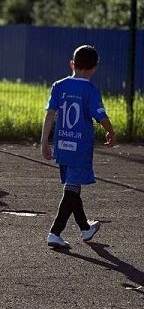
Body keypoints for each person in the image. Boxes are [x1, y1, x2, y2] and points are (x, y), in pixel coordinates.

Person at [40, 44, 115, 248]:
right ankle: (55, 232)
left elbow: (50, 114)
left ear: (72, 64)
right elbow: (100, 115)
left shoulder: (59, 86)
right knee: (71, 190)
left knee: (72, 187)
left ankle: (85, 228)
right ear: (94, 68)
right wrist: (110, 130)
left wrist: (44, 141)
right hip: (80, 148)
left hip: (62, 145)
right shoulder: (90, 89)